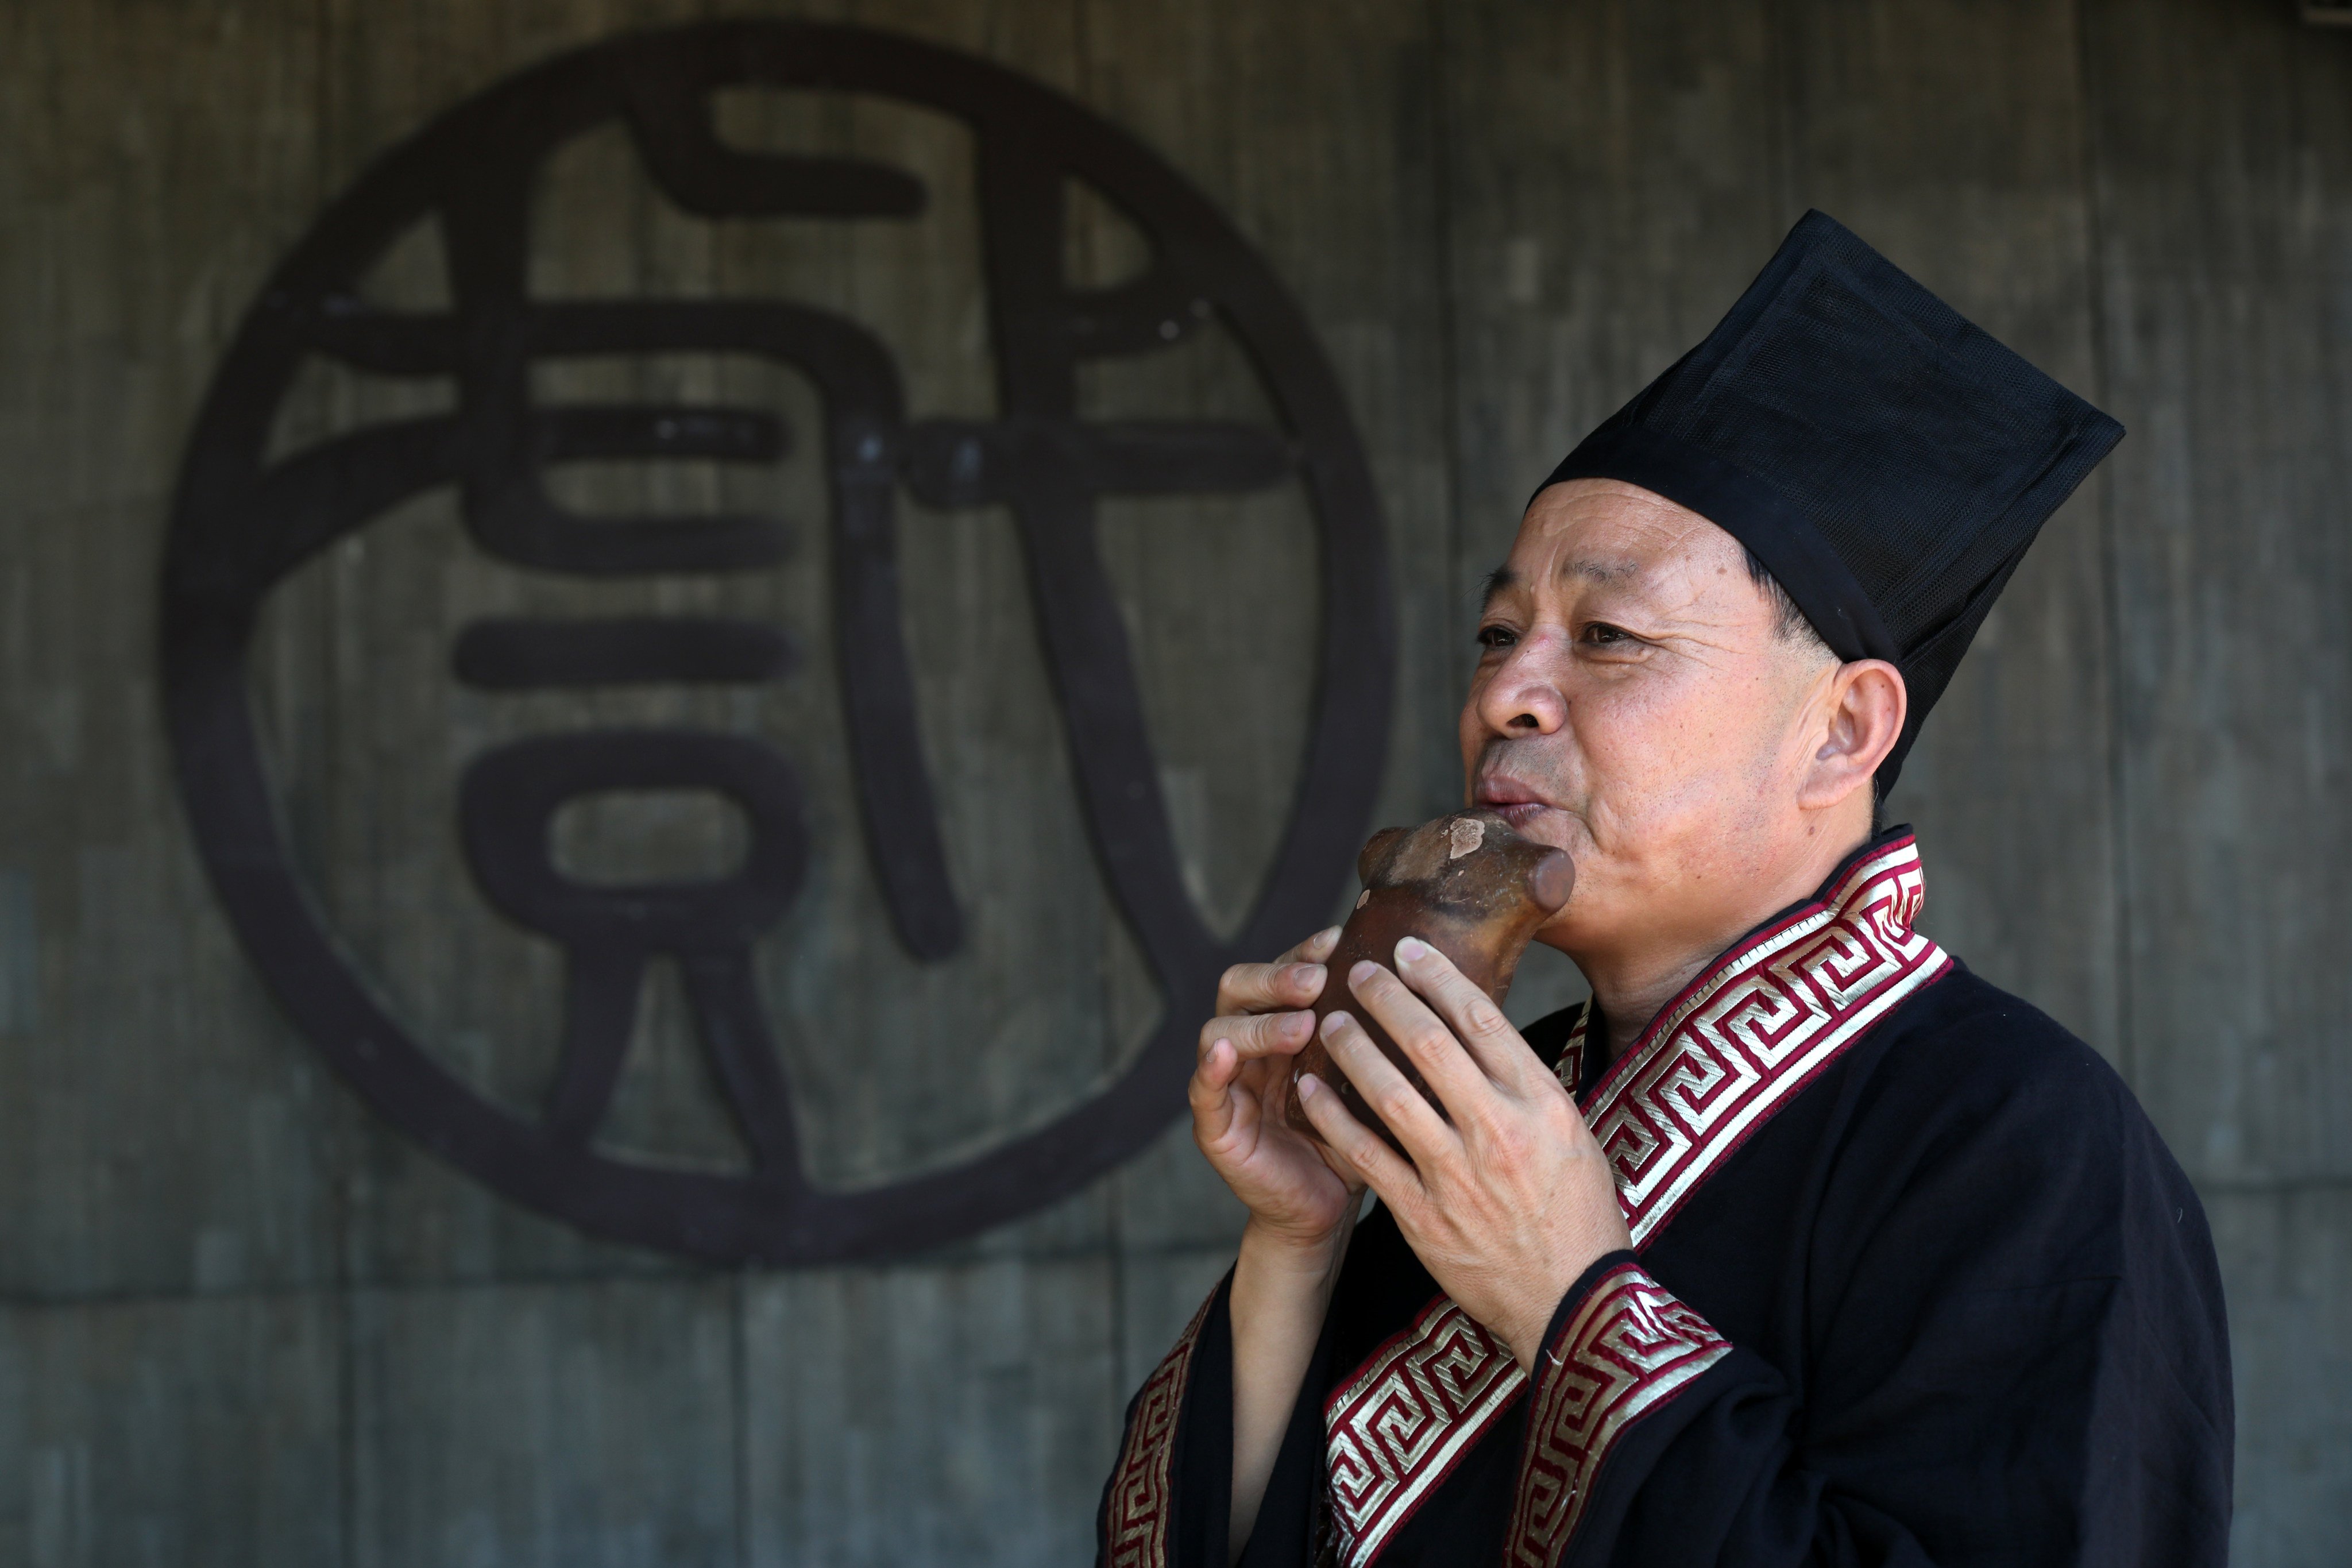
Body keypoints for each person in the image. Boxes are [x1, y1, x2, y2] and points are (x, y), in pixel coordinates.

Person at [1095, 211, 2231, 1568]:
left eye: (1608, 637)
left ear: (1841, 731)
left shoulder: (2017, 1142)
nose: (1504, 695)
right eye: (1497, 633)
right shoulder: (1499, 1100)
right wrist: (1299, 1241)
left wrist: (1572, 1301)